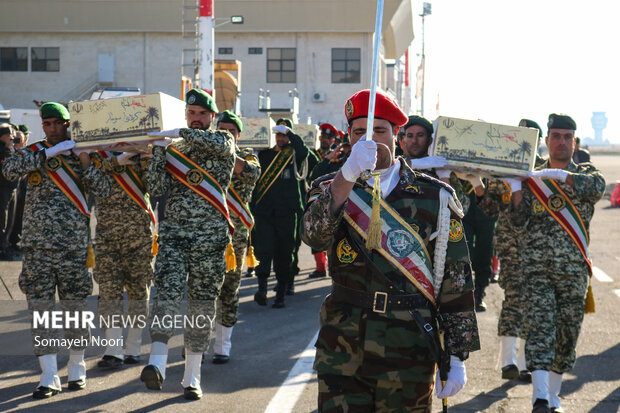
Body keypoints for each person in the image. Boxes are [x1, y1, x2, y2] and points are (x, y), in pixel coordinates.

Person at [302, 89, 480, 412]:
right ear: (349, 137)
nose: (369, 139)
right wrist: (346, 175)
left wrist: (456, 355)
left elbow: (456, 279)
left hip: (408, 349)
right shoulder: (331, 188)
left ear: (397, 135)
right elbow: (313, 237)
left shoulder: (434, 197)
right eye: (359, 132)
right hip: (343, 349)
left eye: (379, 130)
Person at [2, 102, 110, 398]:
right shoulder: (33, 152)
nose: (52, 129)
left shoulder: (83, 153)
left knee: (74, 310)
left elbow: (104, 190)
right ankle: (48, 373)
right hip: (37, 248)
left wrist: (86, 161)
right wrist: (47, 153)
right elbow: (10, 170)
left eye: (57, 123)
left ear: (69, 123)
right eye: (47, 123)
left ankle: (77, 365)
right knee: (41, 311)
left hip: (73, 247)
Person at [506, 113, 605, 413]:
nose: (561, 142)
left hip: (574, 272)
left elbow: (597, 187)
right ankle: (539, 398)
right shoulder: (531, 176)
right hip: (536, 269)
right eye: (556, 136)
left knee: (566, 335)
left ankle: (555, 397)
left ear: (575, 143)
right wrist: (516, 188)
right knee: (539, 330)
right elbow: (518, 224)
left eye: (567, 137)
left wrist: (561, 177)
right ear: (546, 141)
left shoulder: (586, 174)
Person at [141, 89, 235, 400]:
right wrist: (157, 151)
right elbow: (155, 187)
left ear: (212, 118)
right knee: (166, 290)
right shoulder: (174, 148)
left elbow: (215, 143)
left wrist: (175, 135)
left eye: (201, 115)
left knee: (201, 303)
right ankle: (157, 363)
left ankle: (191, 376)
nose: (196, 119)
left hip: (210, 237)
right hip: (174, 234)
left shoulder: (223, 142)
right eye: (191, 114)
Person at [93, 149, 156, 369]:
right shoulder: (98, 154)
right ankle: (113, 349)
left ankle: (134, 345)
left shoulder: (143, 152)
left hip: (138, 236)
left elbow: (156, 187)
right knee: (109, 292)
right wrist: (114, 162)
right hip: (106, 237)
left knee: (139, 292)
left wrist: (149, 158)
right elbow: (90, 179)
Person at [212, 110, 260, 364]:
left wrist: (226, 150)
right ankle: (195, 339)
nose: (226, 135)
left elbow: (250, 173)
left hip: (235, 234)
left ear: (239, 135)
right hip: (206, 229)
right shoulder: (203, 153)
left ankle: (223, 345)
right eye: (221, 130)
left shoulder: (248, 155)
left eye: (231, 131)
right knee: (202, 287)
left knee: (229, 287)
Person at [251, 118, 309, 308]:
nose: (281, 138)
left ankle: (281, 294)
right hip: (265, 212)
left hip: (287, 213)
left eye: (284, 135)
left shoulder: (293, 155)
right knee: (263, 250)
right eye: (278, 134)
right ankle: (261, 289)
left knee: (284, 253)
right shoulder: (265, 155)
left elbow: (304, 150)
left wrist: (291, 133)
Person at [307, 123, 338, 279]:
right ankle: (320, 267)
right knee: (316, 233)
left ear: (333, 140)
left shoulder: (338, 156)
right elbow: (312, 175)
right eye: (323, 137)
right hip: (316, 199)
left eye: (328, 138)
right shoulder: (314, 154)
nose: (325, 140)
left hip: (333, 199)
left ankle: (331, 266)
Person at [0, 124, 17, 259]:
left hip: (11, 188)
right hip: (3, 188)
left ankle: (6, 244)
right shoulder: (2, 149)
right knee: (2, 219)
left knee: (10, 218)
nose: (11, 138)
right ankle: (2, 248)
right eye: (9, 135)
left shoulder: (9, 149)